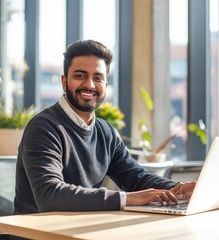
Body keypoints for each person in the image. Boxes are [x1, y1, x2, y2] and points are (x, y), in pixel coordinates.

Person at [14, 39, 196, 214]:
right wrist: (128, 199)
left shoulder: (105, 131)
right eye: (80, 76)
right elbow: (50, 196)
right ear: (64, 81)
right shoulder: (43, 128)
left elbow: (134, 177)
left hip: (80, 229)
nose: (89, 84)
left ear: (105, 85)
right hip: (36, 234)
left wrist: (177, 189)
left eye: (98, 78)